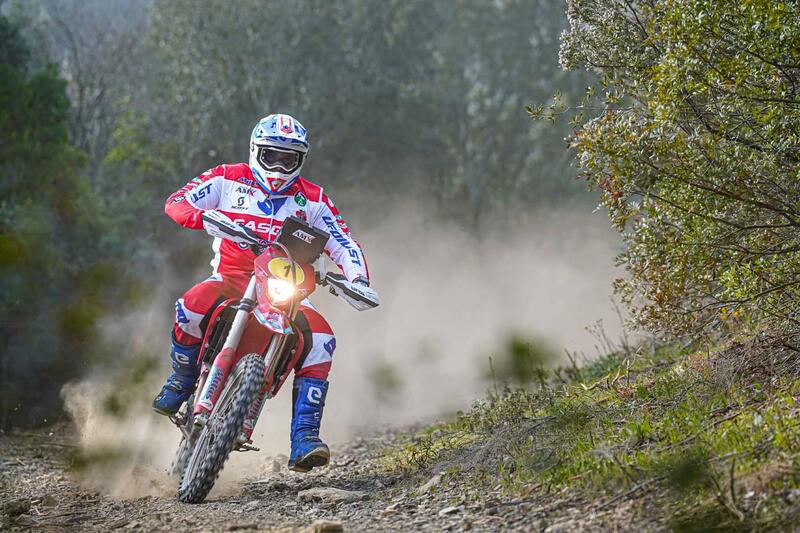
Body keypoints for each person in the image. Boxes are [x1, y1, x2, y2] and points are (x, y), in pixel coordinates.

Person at [152, 114, 378, 472]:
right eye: (272, 156)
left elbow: (344, 242)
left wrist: (358, 279)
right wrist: (204, 218)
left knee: (322, 341)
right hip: (231, 279)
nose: (279, 166)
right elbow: (178, 201)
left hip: (285, 293)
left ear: (301, 160)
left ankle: (304, 436)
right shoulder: (227, 178)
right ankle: (181, 381)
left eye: (289, 159)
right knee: (189, 306)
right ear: (256, 150)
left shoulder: (314, 199)